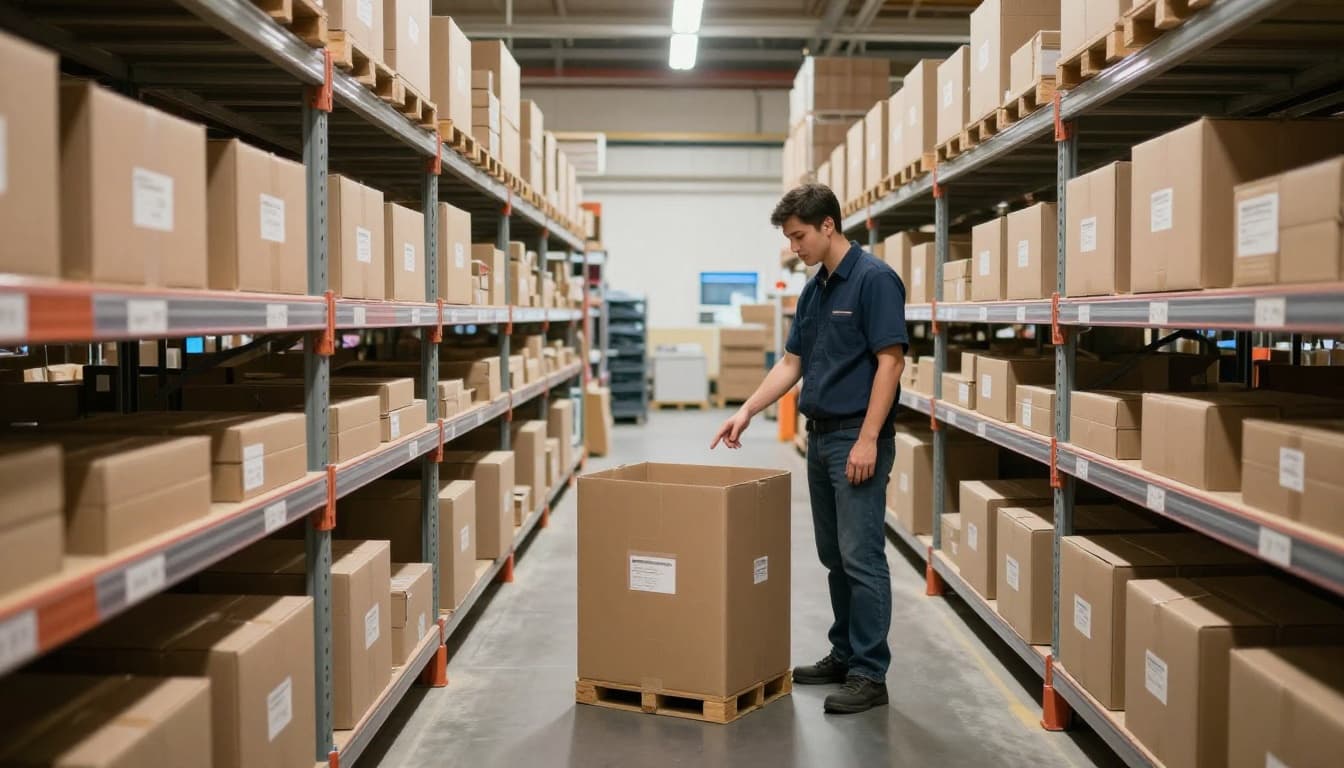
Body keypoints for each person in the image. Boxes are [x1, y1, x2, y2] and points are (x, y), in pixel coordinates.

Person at [710, 183, 908, 715]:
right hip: (819, 436)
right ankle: (844, 655)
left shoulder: (875, 281)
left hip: (855, 436)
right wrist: (747, 409)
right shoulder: (814, 291)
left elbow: (890, 362)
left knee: (861, 556)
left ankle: (870, 672)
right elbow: (791, 363)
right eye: (789, 238)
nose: (794, 247)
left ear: (827, 226)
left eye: (798, 236)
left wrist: (868, 438)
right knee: (833, 556)